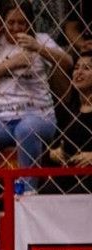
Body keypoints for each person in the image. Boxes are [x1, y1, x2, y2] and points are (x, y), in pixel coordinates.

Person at [0, 0, 73, 195]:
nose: (16, 28)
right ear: (2, 22)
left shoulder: (40, 39)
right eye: (11, 23)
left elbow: (68, 62)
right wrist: (11, 64)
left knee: (27, 128)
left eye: (22, 23)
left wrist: (38, 48)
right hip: (0, 120)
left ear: (30, 23)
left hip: (39, 117)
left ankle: (27, 191)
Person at [49, 52, 92, 188]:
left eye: (86, 68)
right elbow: (54, 147)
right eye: (76, 68)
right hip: (70, 174)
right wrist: (55, 154)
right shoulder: (66, 110)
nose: (79, 73)